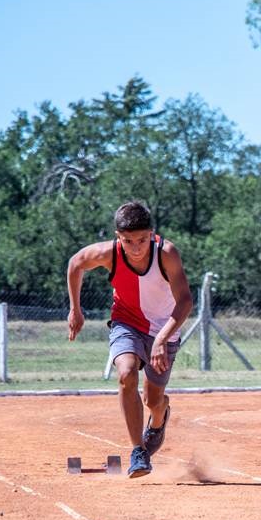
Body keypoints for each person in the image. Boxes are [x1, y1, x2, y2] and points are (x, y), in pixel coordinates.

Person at [67, 201, 193, 478]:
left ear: (152, 234)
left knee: (153, 400)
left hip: (165, 328)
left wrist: (161, 339)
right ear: (118, 236)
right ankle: (138, 451)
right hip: (126, 322)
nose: (136, 248)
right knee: (126, 374)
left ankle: (159, 418)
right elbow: (75, 263)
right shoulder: (109, 254)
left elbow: (185, 301)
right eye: (128, 241)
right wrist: (76, 309)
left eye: (142, 240)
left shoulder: (166, 253)